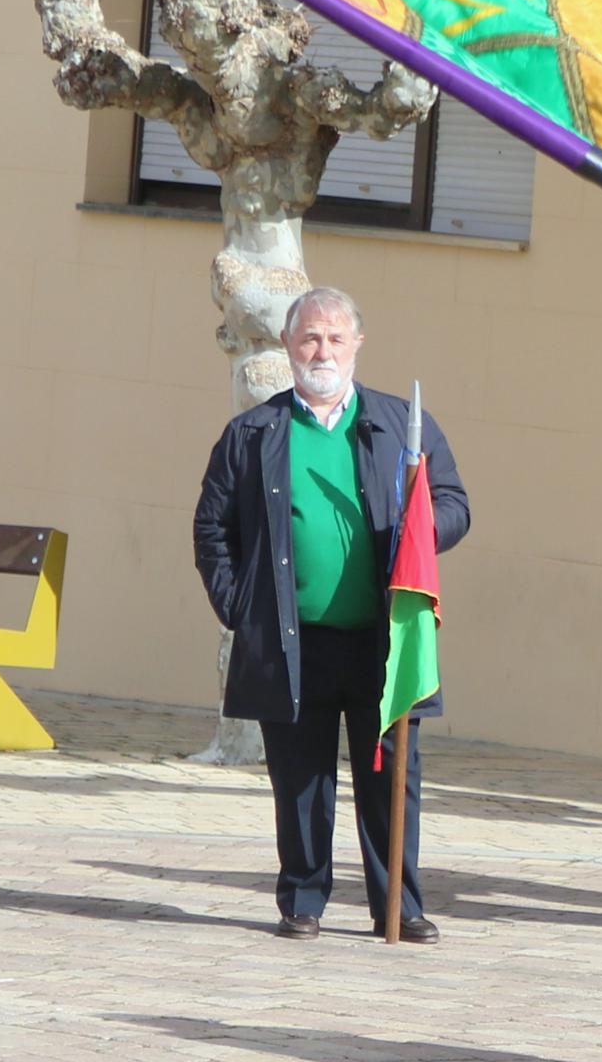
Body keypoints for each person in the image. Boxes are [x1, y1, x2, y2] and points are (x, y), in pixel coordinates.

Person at [191, 286, 471, 942]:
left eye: (334, 338)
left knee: (391, 778)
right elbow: (213, 528)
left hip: (384, 642)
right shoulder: (254, 433)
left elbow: (454, 501)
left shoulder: (401, 424)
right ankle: (303, 899)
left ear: (356, 346)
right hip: (293, 641)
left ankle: (397, 904)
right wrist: (240, 607)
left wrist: (419, 530)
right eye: (309, 338)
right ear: (288, 346)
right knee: (301, 779)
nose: (322, 350)